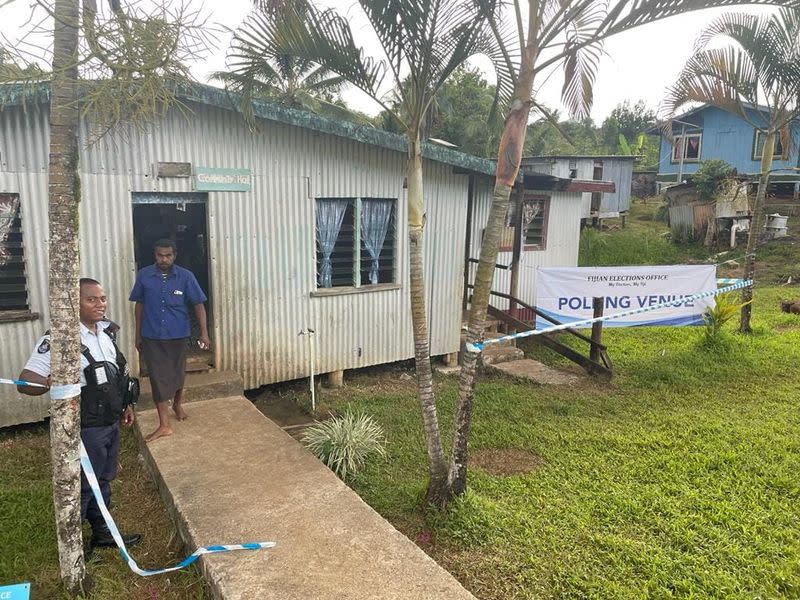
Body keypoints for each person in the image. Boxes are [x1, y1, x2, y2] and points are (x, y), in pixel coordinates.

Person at [18, 278, 142, 555]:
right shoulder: (62, 339)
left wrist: (125, 405)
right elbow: (24, 382)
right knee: (84, 486)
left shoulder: (106, 332)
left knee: (103, 481)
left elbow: (115, 375)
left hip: (109, 423)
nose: (100, 304)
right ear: (75, 305)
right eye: (92, 299)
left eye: (103, 298)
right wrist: (52, 382)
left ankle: (103, 534)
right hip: (84, 429)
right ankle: (74, 549)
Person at [129, 238, 209, 442]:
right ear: (154, 255)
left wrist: (204, 333)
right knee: (157, 377)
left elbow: (198, 305)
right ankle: (164, 425)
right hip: (152, 334)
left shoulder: (186, 277)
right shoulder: (145, 275)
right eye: (160, 255)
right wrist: (137, 334)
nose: (164, 259)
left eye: (168, 255)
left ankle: (177, 404)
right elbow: (139, 305)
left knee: (177, 374)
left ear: (175, 255)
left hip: (178, 334)